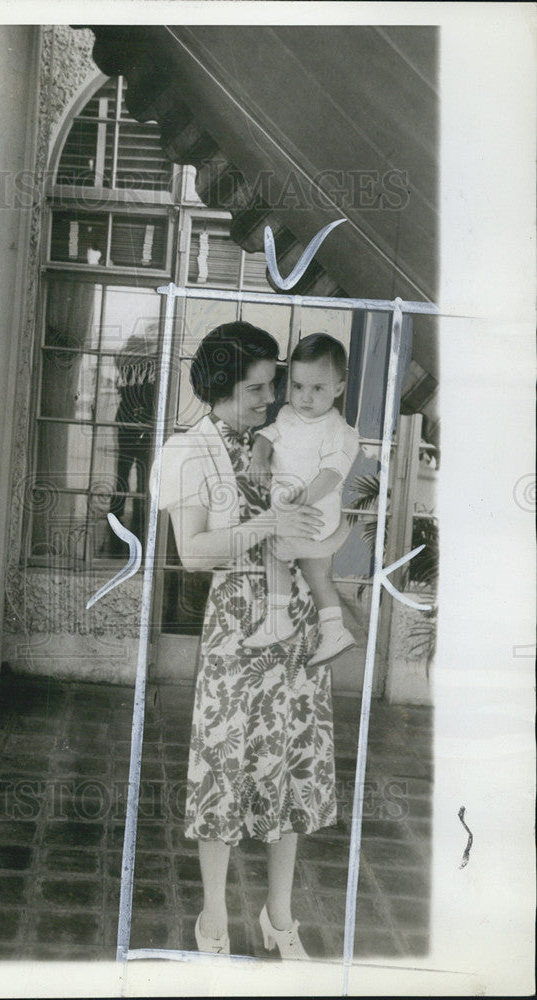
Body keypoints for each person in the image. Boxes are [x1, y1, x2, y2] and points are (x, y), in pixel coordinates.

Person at [156, 321, 348, 958]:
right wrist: (267, 521)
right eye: (258, 387)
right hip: (237, 624)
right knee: (224, 765)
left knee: (290, 764)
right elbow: (192, 553)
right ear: (220, 387)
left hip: (293, 619)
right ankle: (214, 919)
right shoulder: (190, 451)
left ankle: (278, 916)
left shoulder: (290, 436)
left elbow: (346, 478)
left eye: (275, 384)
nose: (273, 398)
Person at [243, 333, 360, 665]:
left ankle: (279, 619)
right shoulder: (287, 415)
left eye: (317, 388)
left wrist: (302, 498)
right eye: (297, 386)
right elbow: (266, 437)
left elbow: (332, 474)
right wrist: (258, 458)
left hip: (313, 512)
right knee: (315, 573)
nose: (305, 397)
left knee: (276, 549)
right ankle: (333, 628)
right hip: (293, 507)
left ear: (338, 388)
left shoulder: (335, 429)